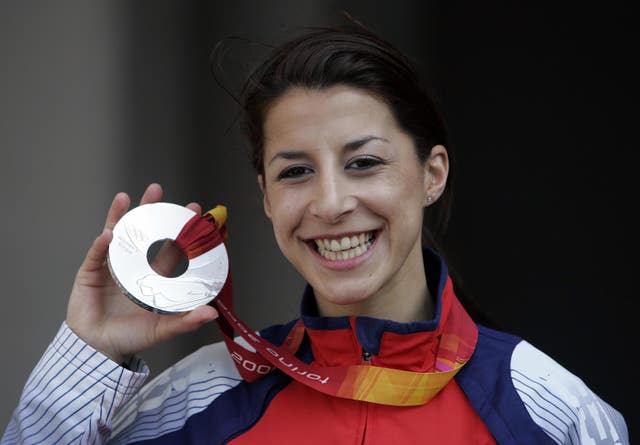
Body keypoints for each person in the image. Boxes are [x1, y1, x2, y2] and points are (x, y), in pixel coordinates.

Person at [1, 20, 629, 445]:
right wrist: (93, 350)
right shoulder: (201, 399)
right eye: (296, 171)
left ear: (431, 174)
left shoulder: (548, 407)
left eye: (365, 162)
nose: (330, 203)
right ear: (266, 198)